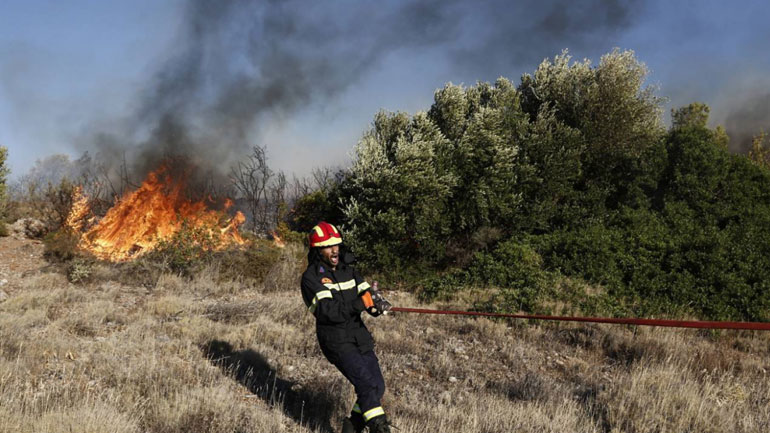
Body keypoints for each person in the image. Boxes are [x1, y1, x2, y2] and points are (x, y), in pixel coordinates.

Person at [300, 221, 392, 433]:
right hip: (336, 340)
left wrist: (377, 306)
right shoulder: (311, 278)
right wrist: (360, 304)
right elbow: (327, 312)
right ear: (317, 250)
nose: (334, 250)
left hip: (359, 336)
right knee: (366, 385)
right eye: (328, 246)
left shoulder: (348, 270)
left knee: (377, 386)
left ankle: (351, 428)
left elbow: (367, 294)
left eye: (336, 245)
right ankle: (380, 428)